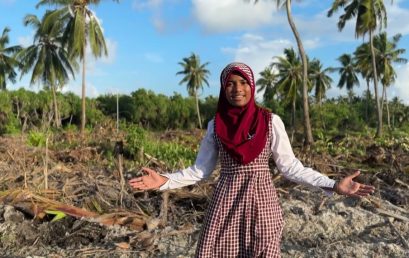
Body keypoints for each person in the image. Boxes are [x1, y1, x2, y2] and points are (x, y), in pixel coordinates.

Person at [129, 62, 375, 258]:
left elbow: (290, 167)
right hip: (225, 206)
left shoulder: (270, 121)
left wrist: (333, 184)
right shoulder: (215, 126)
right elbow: (200, 170)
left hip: (262, 205)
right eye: (231, 84)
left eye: (243, 82)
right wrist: (164, 180)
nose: (237, 89)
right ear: (223, 89)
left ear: (252, 86)